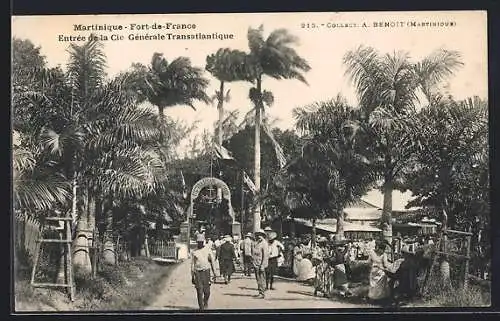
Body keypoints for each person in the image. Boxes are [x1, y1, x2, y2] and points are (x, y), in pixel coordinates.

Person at [191, 240, 217, 310]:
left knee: (207, 291)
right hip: (198, 272)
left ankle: (205, 302)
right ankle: (201, 308)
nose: (200, 243)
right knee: (199, 290)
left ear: (203, 242)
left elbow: (212, 261)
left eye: (201, 242)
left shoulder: (208, 250)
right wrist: (192, 275)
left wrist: (214, 273)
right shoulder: (194, 251)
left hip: (206, 272)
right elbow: (192, 264)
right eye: (199, 242)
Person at [367, 240, 392, 305]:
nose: (383, 251)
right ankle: (375, 299)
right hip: (376, 271)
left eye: (384, 250)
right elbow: (369, 262)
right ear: (379, 248)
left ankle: (379, 299)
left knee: (379, 286)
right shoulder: (373, 253)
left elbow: (385, 264)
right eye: (382, 249)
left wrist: (390, 266)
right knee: (374, 285)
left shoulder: (382, 254)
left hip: (379, 271)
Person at [252, 229, 269, 298]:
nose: (259, 236)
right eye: (257, 234)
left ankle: (262, 293)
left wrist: (262, 265)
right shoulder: (257, 243)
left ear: (263, 236)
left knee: (261, 278)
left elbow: (265, 255)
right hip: (256, 263)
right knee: (258, 278)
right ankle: (260, 291)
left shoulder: (264, 243)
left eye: (260, 235)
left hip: (261, 264)